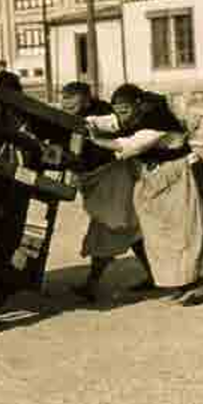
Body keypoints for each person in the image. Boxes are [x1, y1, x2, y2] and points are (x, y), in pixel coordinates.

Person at [85, 84, 203, 306]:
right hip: (160, 178)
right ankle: (184, 284)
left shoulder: (157, 121)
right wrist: (88, 121)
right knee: (161, 234)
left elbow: (130, 145)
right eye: (118, 110)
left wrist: (98, 140)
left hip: (180, 176)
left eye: (125, 110)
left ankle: (198, 289)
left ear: (138, 105)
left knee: (183, 233)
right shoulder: (136, 114)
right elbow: (112, 121)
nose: (120, 115)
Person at [50, 82, 151, 304]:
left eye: (71, 99)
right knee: (129, 229)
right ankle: (154, 274)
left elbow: (121, 140)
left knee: (108, 229)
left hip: (113, 177)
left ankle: (92, 285)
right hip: (97, 180)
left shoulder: (105, 114)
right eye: (63, 98)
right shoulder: (66, 118)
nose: (66, 103)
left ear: (86, 100)